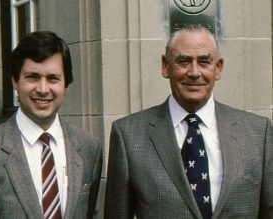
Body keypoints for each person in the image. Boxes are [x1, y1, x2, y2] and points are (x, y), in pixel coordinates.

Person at [104, 24, 273, 219]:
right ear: (165, 66)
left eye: (204, 62)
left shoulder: (258, 133)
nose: (194, 72)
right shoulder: (128, 135)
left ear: (218, 68)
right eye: (183, 61)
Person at [0, 31, 102, 219]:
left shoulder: (89, 149)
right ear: (15, 82)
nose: (42, 89)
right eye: (32, 77)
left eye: (53, 78)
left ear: (66, 85)